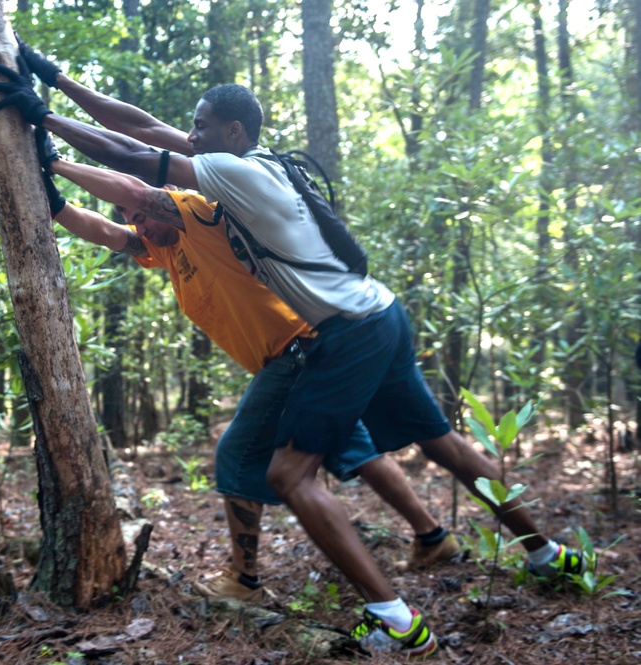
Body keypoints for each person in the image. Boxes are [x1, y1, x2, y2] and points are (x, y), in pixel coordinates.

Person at [0, 48, 590, 657]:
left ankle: (396, 621)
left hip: (344, 331)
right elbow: (139, 127)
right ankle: (546, 553)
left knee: (289, 475)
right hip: (380, 312)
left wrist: (45, 126)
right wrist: (56, 79)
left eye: (200, 125)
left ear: (234, 132)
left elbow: (136, 159)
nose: (189, 133)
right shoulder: (254, 164)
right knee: (444, 444)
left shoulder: (234, 175)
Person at [31, 127, 461, 605]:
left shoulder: (196, 213)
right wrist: (55, 204)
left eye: (146, 215)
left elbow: (135, 189)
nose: (142, 225)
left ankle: (245, 580)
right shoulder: (164, 250)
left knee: (237, 455)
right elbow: (110, 232)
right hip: (308, 354)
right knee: (354, 449)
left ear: (164, 201)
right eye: (137, 221)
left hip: (295, 352)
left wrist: (56, 164)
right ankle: (433, 536)